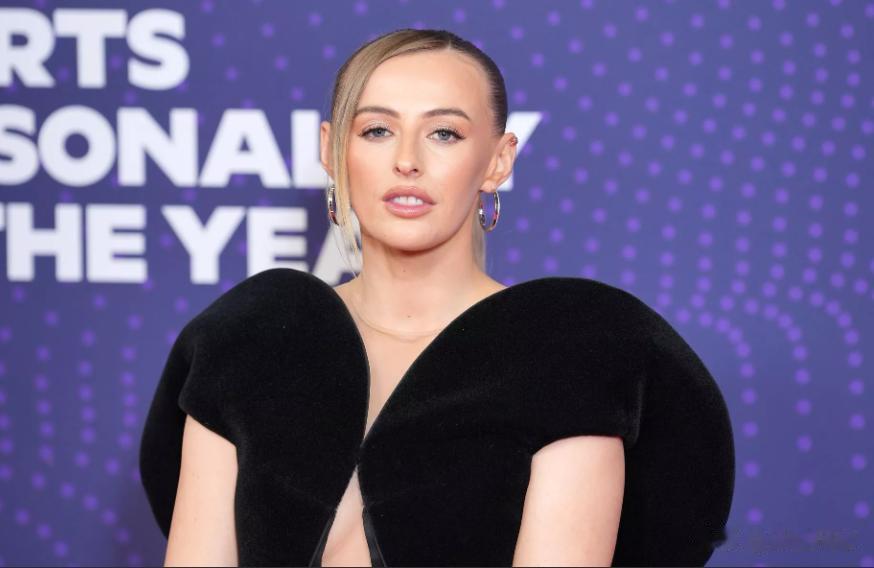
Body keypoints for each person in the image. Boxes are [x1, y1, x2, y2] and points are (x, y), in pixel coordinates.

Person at [139, 28, 735, 567]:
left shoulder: (565, 352)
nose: (407, 161)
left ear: (498, 160)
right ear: (331, 150)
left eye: (444, 133)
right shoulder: (251, 339)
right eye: (377, 130)